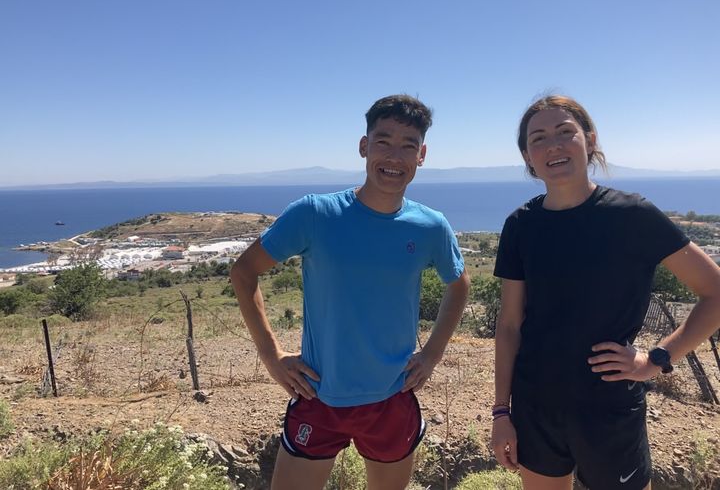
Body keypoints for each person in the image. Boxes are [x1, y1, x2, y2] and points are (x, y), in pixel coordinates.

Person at [230, 94, 470, 490]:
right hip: (320, 394)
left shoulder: (430, 226)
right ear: (364, 146)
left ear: (422, 155)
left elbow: (459, 284)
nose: (395, 156)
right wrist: (271, 355)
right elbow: (244, 272)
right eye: (384, 141)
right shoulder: (315, 214)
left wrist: (432, 353)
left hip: (393, 398)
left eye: (408, 145)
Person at [490, 95, 720, 490]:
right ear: (528, 156)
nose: (553, 146)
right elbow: (510, 326)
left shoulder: (632, 216)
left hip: (608, 407)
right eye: (538, 138)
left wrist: (657, 358)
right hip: (535, 407)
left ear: (590, 140)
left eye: (566, 132)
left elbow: (715, 292)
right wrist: (500, 413)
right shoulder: (520, 225)